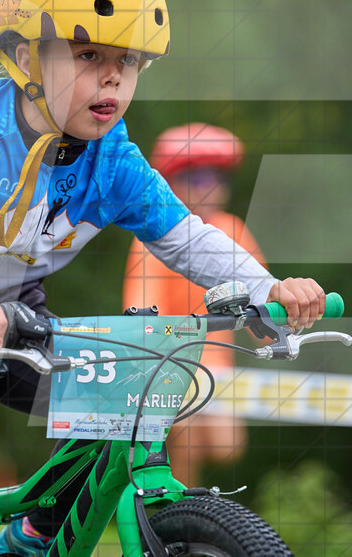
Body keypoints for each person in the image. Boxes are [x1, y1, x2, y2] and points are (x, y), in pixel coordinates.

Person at [0, 0, 326, 557]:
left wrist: (268, 288)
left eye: (128, 60)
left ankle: (35, 534)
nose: (112, 76)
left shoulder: (112, 160)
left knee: (117, 408)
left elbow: (187, 237)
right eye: (88, 54)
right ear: (26, 56)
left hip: (13, 318)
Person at [123, 123, 265, 485]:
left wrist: (271, 326)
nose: (210, 187)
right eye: (197, 178)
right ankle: (176, 506)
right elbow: (143, 307)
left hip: (218, 362)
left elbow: (261, 297)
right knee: (185, 433)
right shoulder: (153, 237)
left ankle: (178, 495)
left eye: (217, 177)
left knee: (227, 447)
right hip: (173, 358)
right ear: (172, 183)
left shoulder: (233, 229)